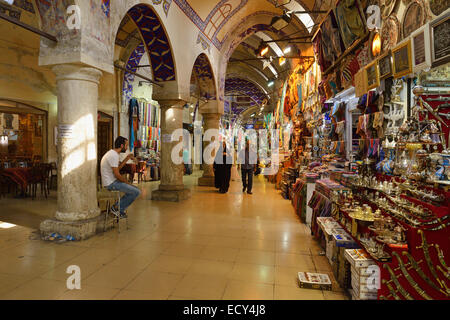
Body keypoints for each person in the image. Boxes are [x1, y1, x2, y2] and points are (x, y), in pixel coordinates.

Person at [100, 136, 141, 218]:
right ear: (122, 146)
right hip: (110, 183)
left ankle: (118, 208)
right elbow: (117, 174)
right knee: (136, 192)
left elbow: (117, 169)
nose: (127, 147)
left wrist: (127, 159)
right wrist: (127, 183)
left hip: (112, 181)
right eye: (126, 145)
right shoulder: (113, 155)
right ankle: (116, 208)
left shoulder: (113, 154)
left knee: (134, 190)